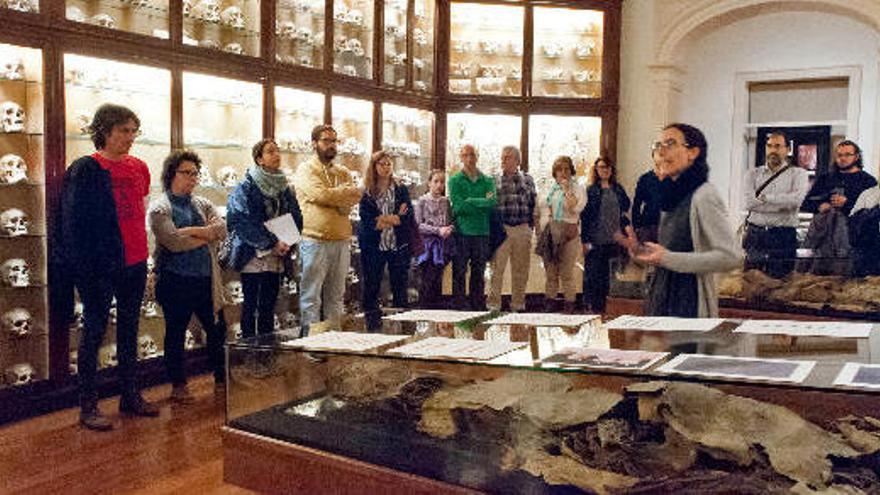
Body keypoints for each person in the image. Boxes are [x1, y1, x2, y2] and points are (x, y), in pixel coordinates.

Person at [57, 103, 158, 431]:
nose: (129, 138)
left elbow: (137, 206)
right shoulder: (86, 168)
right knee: (95, 330)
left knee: (130, 328)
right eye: (123, 131)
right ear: (104, 131)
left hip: (135, 258)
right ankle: (88, 405)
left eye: (133, 131)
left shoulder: (140, 167)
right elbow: (73, 223)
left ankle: (130, 395)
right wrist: (83, 266)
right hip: (100, 264)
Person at [631, 123, 741, 317]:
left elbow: (731, 256)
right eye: (658, 145)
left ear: (693, 152)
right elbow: (670, 249)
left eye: (670, 144)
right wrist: (641, 252)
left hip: (689, 301)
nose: (662, 151)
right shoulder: (670, 193)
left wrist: (668, 258)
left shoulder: (704, 194)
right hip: (662, 295)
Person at [148, 150, 227, 402]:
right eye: (187, 173)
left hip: (206, 278)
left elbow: (222, 229)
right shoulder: (160, 208)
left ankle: (222, 378)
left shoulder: (202, 203)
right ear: (172, 173)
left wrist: (191, 231)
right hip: (176, 280)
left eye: (195, 173)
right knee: (176, 332)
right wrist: (207, 234)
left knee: (217, 330)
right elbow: (172, 242)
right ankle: (178, 385)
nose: (193, 178)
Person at [227, 138, 303, 338]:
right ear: (259, 159)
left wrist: (288, 241)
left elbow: (296, 215)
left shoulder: (285, 186)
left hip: (279, 253)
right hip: (253, 253)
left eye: (277, 151)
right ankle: (250, 352)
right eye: (270, 152)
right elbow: (240, 220)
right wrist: (271, 242)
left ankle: (267, 352)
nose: (276, 155)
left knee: (269, 304)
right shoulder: (246, 186)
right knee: (251, 304)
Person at [294, 125, 362, 335]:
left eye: (334, 141)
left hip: (341, 240)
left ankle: (333, 342)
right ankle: (312, 344)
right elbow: (319, 194)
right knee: (311, 296)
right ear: (314, 143)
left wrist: (334, 197)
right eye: (326, 140)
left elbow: (354, 197)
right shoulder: (306, 169)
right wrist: (340, 194)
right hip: (315, 240)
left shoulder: (343, 171)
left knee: (336, 295)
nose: (331, 145)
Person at [801, 140, 877, 276]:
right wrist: (820, 206)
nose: (842, 158)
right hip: (823, 239)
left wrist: (847, 203)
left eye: (847, 154)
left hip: (854, 239)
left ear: (856, 157)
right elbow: (805, 204)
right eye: (839, 155)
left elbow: (872, 212)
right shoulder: (826, 178)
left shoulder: (868, 181)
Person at [357, 151, 413, 331]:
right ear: (374, 167)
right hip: (374, 245)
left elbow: (406, 217)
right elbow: (367, 219)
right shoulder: (367, 191)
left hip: (397, 244)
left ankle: (402, 328)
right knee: (372, 285)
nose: (386, 167)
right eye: (382, 164)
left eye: (389, 164)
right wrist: (393, 217)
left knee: (400, 286)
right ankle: (372, 328)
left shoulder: (400, 188)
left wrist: (384, 219)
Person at [742, 131, 809, 279]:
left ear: (787, 149)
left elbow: (796, 201)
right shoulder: (752, 174)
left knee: (781, 285)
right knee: (750, 284)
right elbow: (748, 203)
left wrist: (764, 198)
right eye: (770, 146)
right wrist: (781, 203)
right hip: (755, 235)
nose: (773, 150)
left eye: (778, 146)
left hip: (783, 236)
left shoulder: (799, 174)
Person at [448, 144, 497, 311]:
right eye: (465, 155)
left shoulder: (488, 181)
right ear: (461, 157)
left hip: (482, 232)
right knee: (459, 272)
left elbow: (491, 202)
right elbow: (458, 207)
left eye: (472, 154)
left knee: (479, 272)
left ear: (477, 156)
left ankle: (477, 306)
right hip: (462, 232)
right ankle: (459, 306)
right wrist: (479, 203)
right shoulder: (454, 180)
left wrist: (470, 201)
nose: (469, 158)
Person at [488, 145, 536, 312]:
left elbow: (533, 204)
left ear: (517, 160)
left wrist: (531, 227)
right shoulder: (493, 180)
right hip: (502, 230)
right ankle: (493, 306)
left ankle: (518, 305)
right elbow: (489, 204)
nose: (503, 160)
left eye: (507, 157)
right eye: (502, 156)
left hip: (522, 229)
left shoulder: (528, 179)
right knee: (496, 270)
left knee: (521, 270)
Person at [580, 156, 630, 314]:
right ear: (596, 170)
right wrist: (585, 240)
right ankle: (593, 310)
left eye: (607, 167)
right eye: (601, 167)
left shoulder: (618, 189)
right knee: (594, 277)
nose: (605, 170)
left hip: (614, 240)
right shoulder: (591, 190)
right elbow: (585, 217)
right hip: (596, 240)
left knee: (610, 278)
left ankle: (608, 312)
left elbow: (626, 206)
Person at [538, 156, 586, 313]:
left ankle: (569, 306)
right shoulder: (549, 189)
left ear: (571, 171)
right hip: (550, 234)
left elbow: (575, 208)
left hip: (569, 235)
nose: (563, 172)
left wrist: (566, 189)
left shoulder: (578, 189)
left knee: (566, 274)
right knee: (551, 274)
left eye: (566, 169)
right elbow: (541, 209)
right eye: (559, 169)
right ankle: (549, 305)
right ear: (555, 172)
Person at [415, 169, 454, 309]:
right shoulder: (422, 201)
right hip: (427, 246)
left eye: (442, 182)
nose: (439, 185)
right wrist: (437, 230)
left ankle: (436, 310)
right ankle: (424, 309)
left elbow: (449, 221)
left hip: (442, 245)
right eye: (436, 181)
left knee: (438, 278)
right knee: (427, 279)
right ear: (429, 183)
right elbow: (418, 225)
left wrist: (450, 229)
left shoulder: (446, 201)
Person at [631, 148, 664, 244]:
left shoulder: (672, 178)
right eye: (658, 154)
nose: (660, 157)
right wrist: (637, 226)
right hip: (647, 226)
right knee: (646, 256)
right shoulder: (645, 179)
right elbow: (636, 204)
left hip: (666, 226)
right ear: (653, 156)